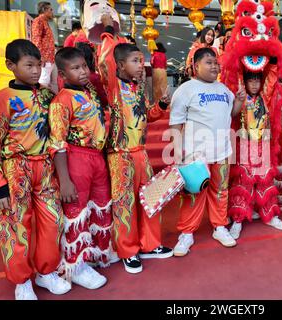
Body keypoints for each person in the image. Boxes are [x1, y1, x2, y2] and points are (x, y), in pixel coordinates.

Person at [0, 39, 71, 300]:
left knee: (52, 221)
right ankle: (21, 281)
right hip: (16, 168)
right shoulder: (2, 99)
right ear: (11, 66)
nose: (36, 70)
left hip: (45, 168)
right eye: (29, 65)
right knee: (16, 226)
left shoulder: (48, 95)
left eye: (39, 65)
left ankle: (46, 272)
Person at [99, 19, 173, 273]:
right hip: (120, 156)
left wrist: (161, 106)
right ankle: (128, 250)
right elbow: (104, 61)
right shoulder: (113, 89)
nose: (141, 66)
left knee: (151, 199)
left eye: (142, 61)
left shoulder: (137, 89)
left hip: (140, 154)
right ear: (119, 65)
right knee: (124, 203)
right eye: (135, 61)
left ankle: (150, 244)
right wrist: (110, 33)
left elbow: (147, 117)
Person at [169, 47, 246, 256]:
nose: (214, 66)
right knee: (194, 194)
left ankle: (219, 227)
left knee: (220, 191)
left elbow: (232, 113)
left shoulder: (223, 89)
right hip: (195, 155)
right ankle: (187, 233)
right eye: (209, 62)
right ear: (196, 66)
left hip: (222, 151)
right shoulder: (186, 89)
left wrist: (238, 100)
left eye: (216, 63)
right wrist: (178, 152)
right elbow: (175, 123)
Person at [49, 47, 111, 288]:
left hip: (97, 157)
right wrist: (65, 180)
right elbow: (57, 142)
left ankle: (94, 253)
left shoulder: (91, 92)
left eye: (84, 66)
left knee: (100, 204)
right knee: (76, 211)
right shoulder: (61, 101)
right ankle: (75, 265)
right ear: (63, 74)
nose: (83, 71)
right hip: (75, 158)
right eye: (75, 68)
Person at [228, 68, 282, 240]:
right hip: (244, 145)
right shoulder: (240, 97)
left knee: (265, 181)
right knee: (243, 183)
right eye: (251, 81)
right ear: (245, 82)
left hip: (263, 145)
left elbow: (271, 78)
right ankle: (238, 219)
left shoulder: (265, 97)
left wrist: (274, 61)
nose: (254, 84)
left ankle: (270, 215)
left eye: (257, 81)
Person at [31, 1, 57, 93]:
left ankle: (53, 103)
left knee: (52, 84)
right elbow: (36, 40)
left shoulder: (45, 22)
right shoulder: (38, 21)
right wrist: (40, 57)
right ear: (44, 10)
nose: (52, 12)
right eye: (51, 9)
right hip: (45, 60)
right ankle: (42, 105)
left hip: (50, 59)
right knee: (43, 82)